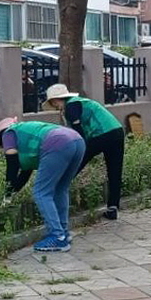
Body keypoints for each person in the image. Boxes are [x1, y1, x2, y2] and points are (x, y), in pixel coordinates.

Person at [0, 117, 86, 252]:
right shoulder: (28, 136)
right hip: (76, 140)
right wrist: (12, 193)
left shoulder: (8, 134)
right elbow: (24, 175)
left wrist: (6, 196)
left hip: (58, 143)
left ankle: (57, 236)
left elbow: (12, 167)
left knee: (41, 192)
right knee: (60, 188)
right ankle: (64, 234)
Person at [42, 83, 125, 221]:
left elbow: (77, 132)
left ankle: (57, 190)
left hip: (101, 134)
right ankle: (113, 207)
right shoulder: (80, 102)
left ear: (56, 100)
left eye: (54, 103)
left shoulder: (70, 107)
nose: (55, 107)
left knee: (74, 165)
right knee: (115, 171)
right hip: (116, 131)